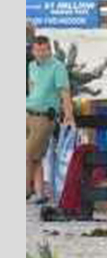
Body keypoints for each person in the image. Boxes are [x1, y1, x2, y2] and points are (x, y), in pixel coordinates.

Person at [27, 35, 75, 204]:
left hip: (44, 117)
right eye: (37, 50)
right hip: (27, 113)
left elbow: (65, 92)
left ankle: (25, 191)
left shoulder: (58, 67)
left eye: (44, 50)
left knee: (27, 154)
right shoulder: (31, 65)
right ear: (33, 51)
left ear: (50, 50)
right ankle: (40, 193)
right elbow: (32, 87)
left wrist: (69, 115)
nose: (41, 53)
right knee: (36, 157)